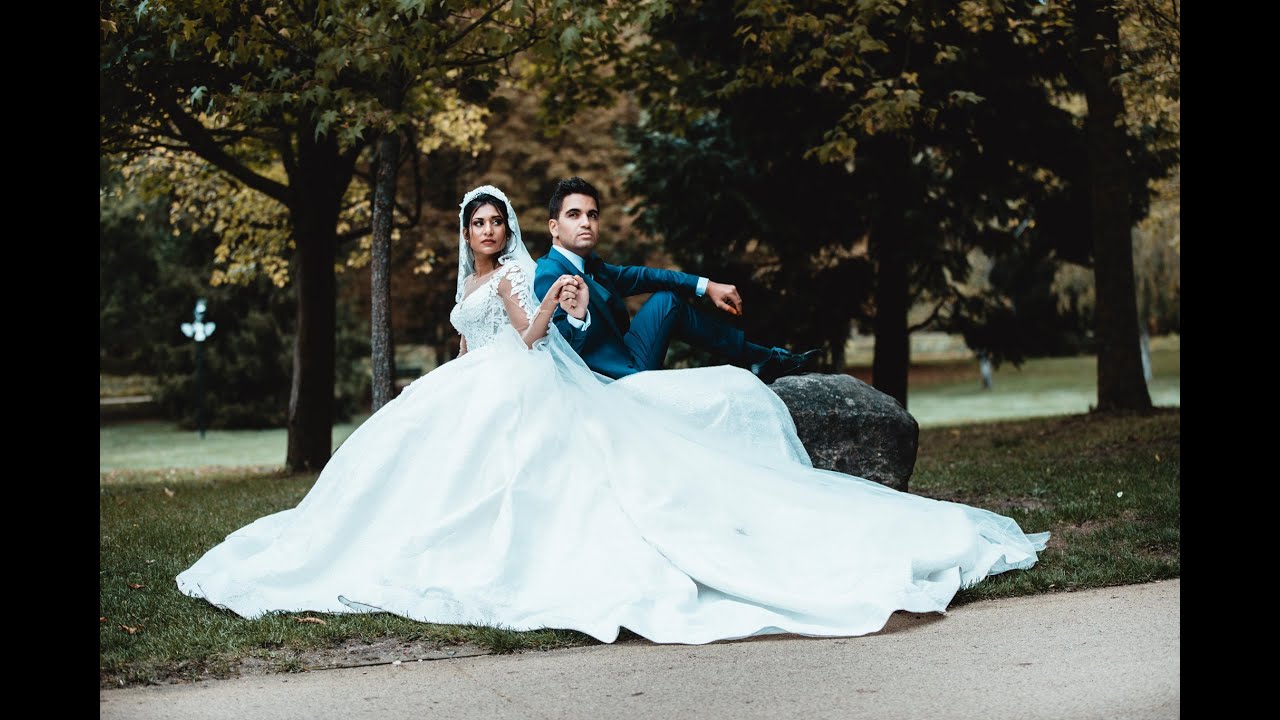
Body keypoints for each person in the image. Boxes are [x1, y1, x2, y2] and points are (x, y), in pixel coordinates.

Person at [176, 184, 1048, 645]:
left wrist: (555, 306)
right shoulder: (473, 277)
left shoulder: (519, 273)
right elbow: (472, 339)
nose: (488, 231)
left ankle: (762, 357)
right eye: (479, 223)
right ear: (467, 232)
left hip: (520, 377)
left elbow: (528, 336)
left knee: (535, 470)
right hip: (470, 384)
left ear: (510, 229)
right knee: (421, 470)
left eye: (496, 222)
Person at [534, 176, 818, 383]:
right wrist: (577, 319)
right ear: (554, 227)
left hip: (625, 357)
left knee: (666, 298)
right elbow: (560, 353)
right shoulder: (550, 274)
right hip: (612, 379)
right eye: (574, 215)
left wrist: (707, 286)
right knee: (668, 301)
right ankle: (762, 359)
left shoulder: (592, 265)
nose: (586, 222)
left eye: (592, 215)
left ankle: (761, 358)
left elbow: (646, 276)